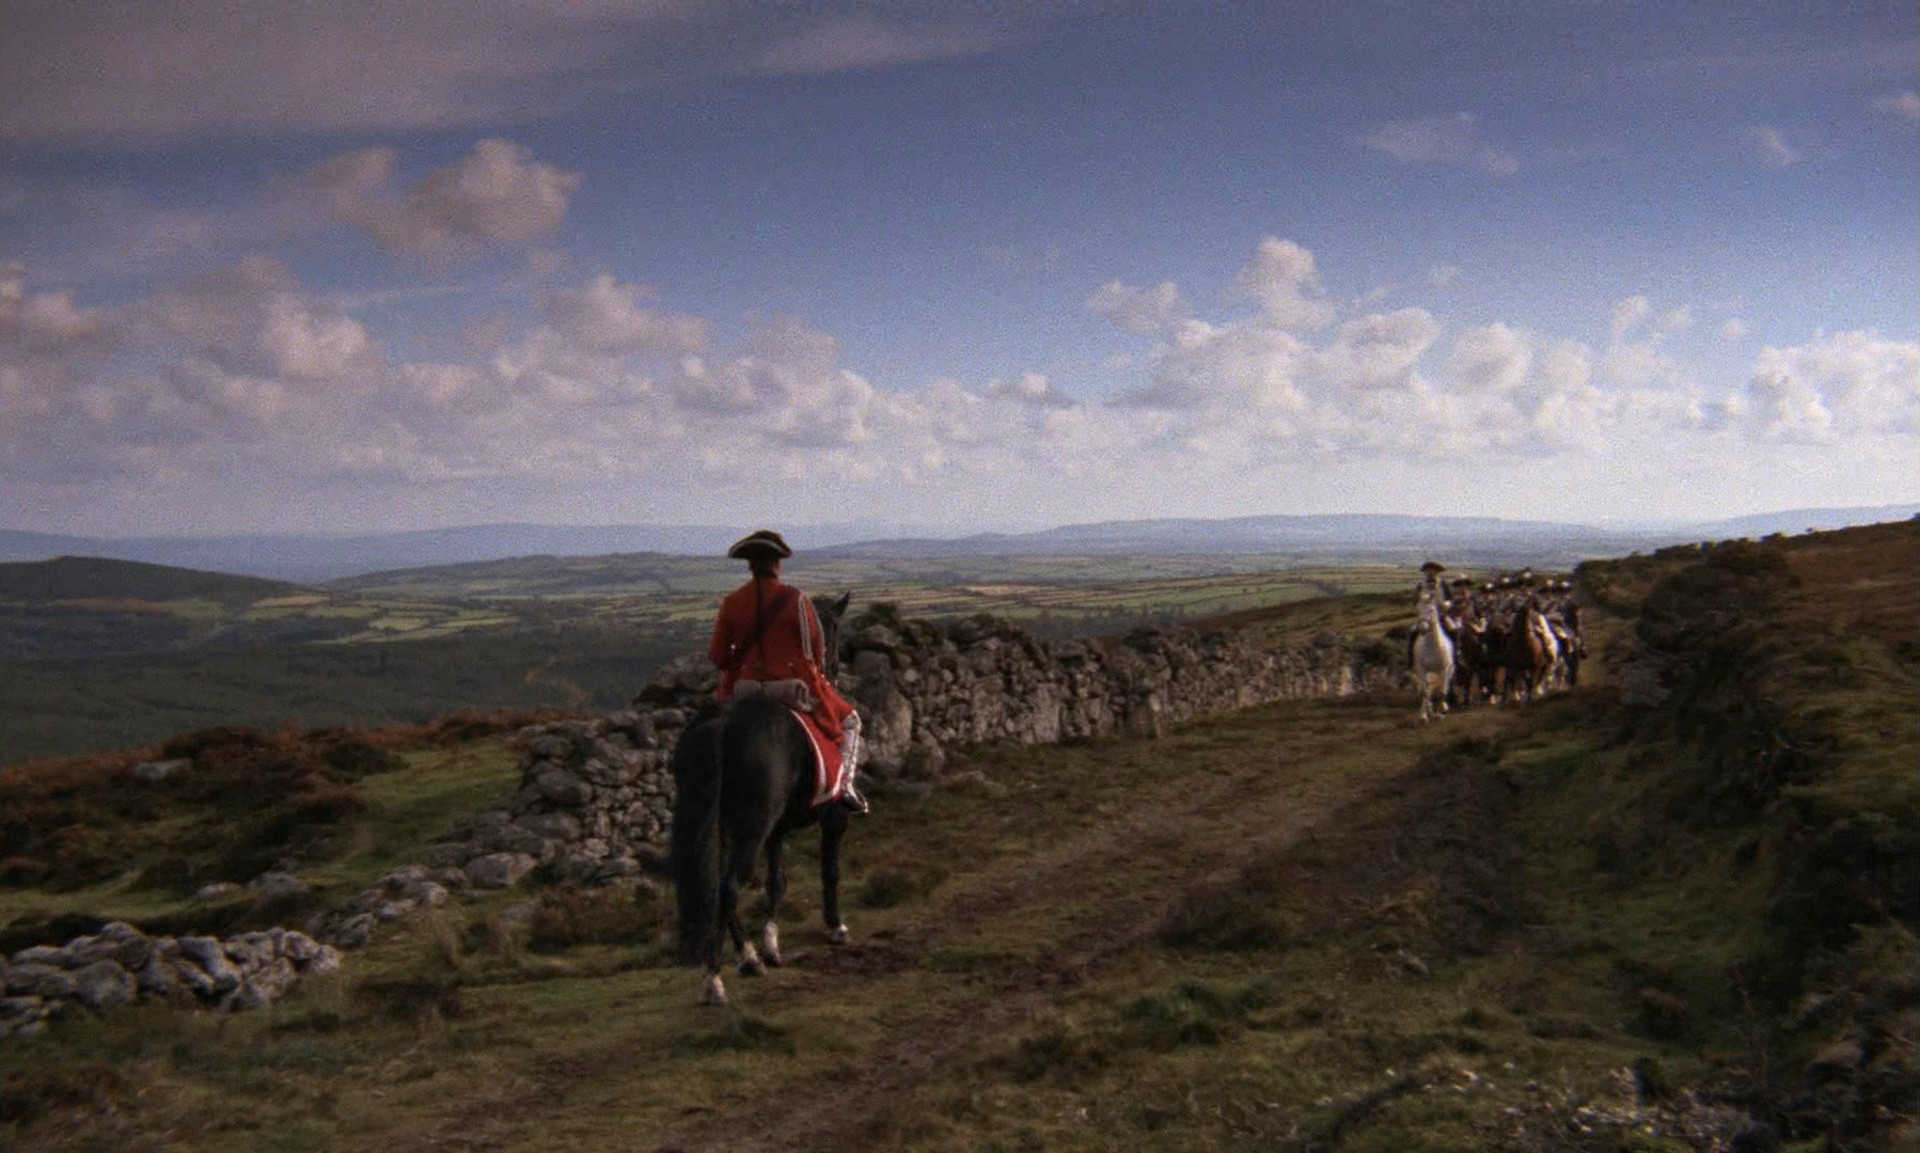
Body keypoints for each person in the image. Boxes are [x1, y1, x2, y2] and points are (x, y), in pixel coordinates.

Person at [708, 529, 867, 814]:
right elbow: (815, 653)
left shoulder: (731, 603)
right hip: (789, 689)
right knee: (851, 721)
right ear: (778, 564)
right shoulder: (796, 600)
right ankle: (845, 789)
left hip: (743, 691)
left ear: (749, 565)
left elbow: (718, 656)